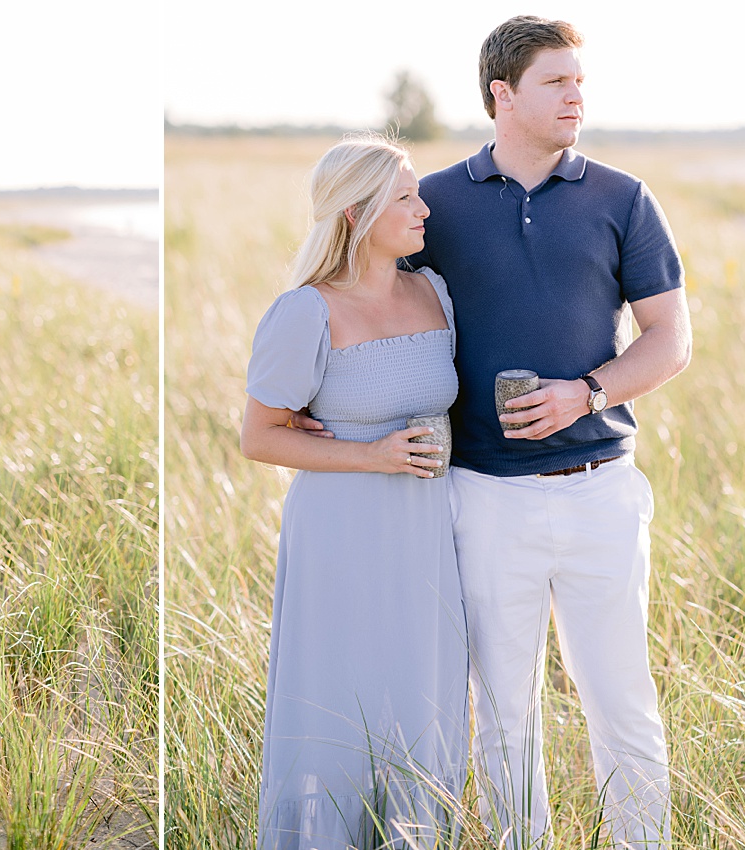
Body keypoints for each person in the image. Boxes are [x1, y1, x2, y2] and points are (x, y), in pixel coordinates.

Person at [405, 16, 692, 849]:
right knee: (503, 713)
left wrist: (586, 394)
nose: (576, 97)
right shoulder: (435, 202)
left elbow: (671, 340)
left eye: (580, 82)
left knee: (623, 703)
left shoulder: (622, 197)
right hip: (484, 497)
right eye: (556, 83)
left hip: (602, 491)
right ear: (502, 94)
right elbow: (375, 309)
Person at [241, 134, 469, 850]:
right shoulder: (304, 311)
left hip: (427, 532)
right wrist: (371, 453)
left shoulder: (433, 291)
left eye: (416, 192)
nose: (422, 207)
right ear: (353, 215)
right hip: (340, 537)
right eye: (404, 196)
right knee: (339, 699)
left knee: (419, 696)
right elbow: (260, 437)